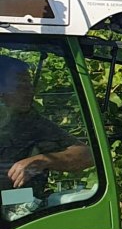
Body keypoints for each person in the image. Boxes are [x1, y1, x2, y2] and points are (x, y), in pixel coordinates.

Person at [0, 56, 93, 201]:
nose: (30, 92)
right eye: (21, 85)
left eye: (30, 85)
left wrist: (43, 161)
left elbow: (87, 155)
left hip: (15, 202)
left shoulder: (32, 123)